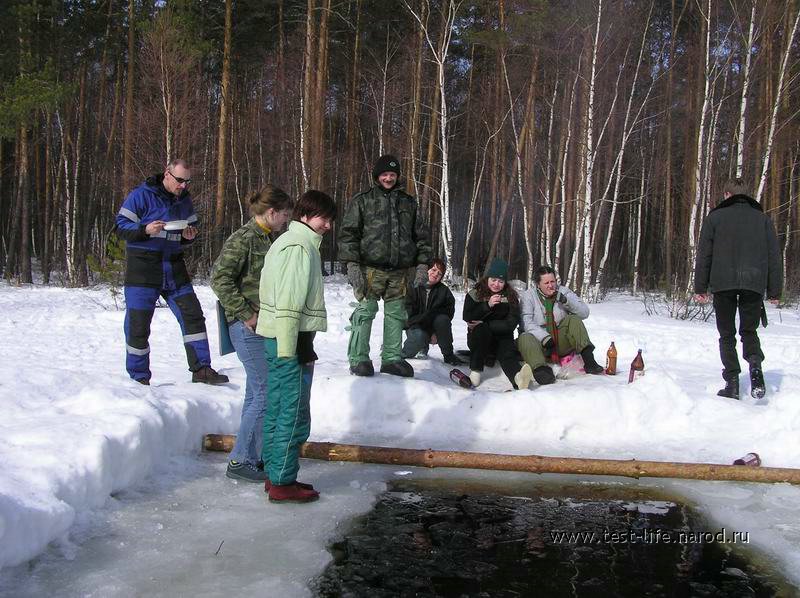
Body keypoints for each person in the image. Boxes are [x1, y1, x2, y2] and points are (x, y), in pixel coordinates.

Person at [114, 159, 228, 386]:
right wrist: (145, 230)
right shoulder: (141, 195)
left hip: (174, 266)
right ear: (167, 174)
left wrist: (190, 236)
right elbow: (120, 227)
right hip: (143, 268)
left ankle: (201, 369)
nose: (183, 186)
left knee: (192, 315)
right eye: (179, 180)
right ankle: (139, 378)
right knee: (138, 324)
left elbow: (192, 229)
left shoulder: (184, 200)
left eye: (187, 181)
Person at [256, 190, 336, 503]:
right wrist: (295, 349)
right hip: (289, 343)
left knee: (278, 409)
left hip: (283, 341)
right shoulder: (299, 248)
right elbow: (289, 305)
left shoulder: (294, 243)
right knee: (291, 412)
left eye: (330, 219)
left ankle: (276, 474)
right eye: (323, 217)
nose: (327, 224)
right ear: (304, 215)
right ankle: (281, 481)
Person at [210, 185, 294, 483]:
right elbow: (219, 279)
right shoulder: (244, 239)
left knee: (255, 393)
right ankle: (240, 460)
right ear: (271, 212)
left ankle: (252, 455)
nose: (286, 219)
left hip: (264, 326)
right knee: (265, 393)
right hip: (247, 328)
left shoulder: (270, 239)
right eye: (284, 214)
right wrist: (246, 313)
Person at [339, 154, 432, 378]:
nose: (388, 178)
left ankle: (391, 358)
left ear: (397, 176)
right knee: (365, 311)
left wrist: (422, 264)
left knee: (397, 314)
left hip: (399, 271)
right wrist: (351, 265)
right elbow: (349, 234)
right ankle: (358, 358)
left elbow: (421, 236)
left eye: (392, 174)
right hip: (369, 270)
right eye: (384, 174)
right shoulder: (363, 200)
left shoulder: (409, 203)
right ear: (377, 176)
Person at [694, 178, 782, 400]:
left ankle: (732, 383)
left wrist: (700, 287)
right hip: (753, 284)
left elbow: (705, 255)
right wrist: (774, 291)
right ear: (747, 196)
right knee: (749, 331)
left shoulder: (714, 218)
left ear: (727, 195)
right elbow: (774, 257)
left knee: (727, 334)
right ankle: (755, 369)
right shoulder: (763, 220)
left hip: (723, 284)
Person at [517, 266, 605, 385]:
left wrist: (566, 301)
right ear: (538, 284)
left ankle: (589, 361)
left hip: (559, 341)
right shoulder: (529, 296)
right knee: (524, 337)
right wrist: (544, 337)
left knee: (573, 319)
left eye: (552, 281)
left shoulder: (563, 291)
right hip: (539, 344)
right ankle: (542, 371)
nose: (550, 285)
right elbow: (526, 321)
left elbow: (585, 313)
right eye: (546, 283)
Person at [462, 258, 533, 390]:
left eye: (500, 281)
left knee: (507, 351)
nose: (496, 284)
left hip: (502, 339)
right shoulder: (474, 294)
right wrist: (486, 306)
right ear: (487, 278)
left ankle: (518, 378)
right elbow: (467, 316)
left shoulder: (511, 298)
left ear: (505, 283)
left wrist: (486, 323)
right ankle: (475, 371)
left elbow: (511, 324)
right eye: (493, 280)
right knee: (481, 329)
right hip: (479, 340)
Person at [402, 258, 464, 366]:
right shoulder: (413, 286)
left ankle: (448, 355)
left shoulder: (444, 291)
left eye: (439, 274)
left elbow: (448, 313)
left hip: (433, 327)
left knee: (442, 319)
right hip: (415, 326)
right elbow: (407, 315)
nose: (435, 274)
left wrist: (434, 332)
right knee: (420, 336)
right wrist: (426, 326)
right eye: (433, 270)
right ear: (426, 269)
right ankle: (400, 355)